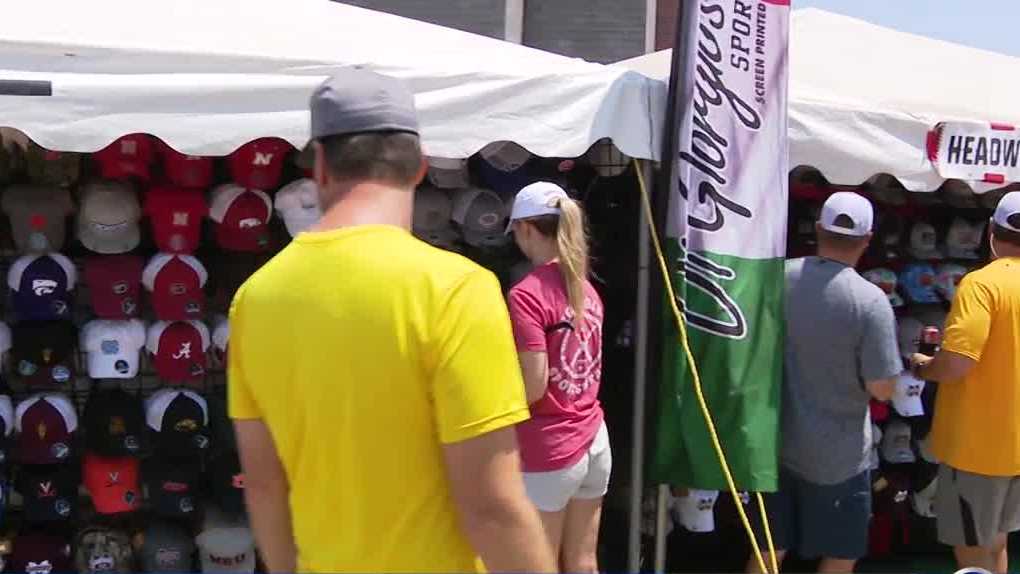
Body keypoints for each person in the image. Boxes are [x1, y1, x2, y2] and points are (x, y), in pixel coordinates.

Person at [227, 69, 555, 573]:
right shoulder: (455, 289)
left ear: (319, 166)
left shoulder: (254, 298)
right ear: (420, 167)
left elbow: (266, 484)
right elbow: (492, 508)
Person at [749, 192, 901, 574]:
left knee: (769, 549)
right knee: (840, 554)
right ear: (867, 240)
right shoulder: (870, 301)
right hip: (840, 457)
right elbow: (882, 388)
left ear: (818, 230)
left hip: (772, 444)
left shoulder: (775, 278)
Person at [911, 191, 1020, 574]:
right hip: (1016, 446)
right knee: (997, 540)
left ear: (992, 231)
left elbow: (958, 363)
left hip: (977, 445)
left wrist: (924, 366)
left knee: (972, 553)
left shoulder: (981, 285)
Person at [506, 181, 610, 573]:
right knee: (584, 562)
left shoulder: (526, 294)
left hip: (549, 447)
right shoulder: (585, 288)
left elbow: (534, 385)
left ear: (526, 229)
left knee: (538, 564)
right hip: (594, 440)